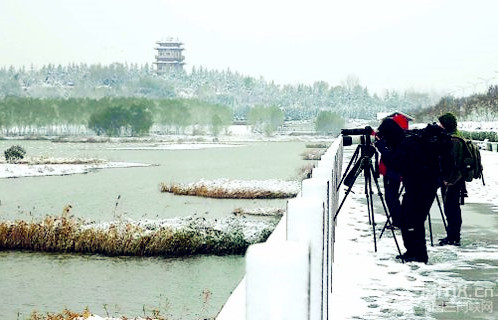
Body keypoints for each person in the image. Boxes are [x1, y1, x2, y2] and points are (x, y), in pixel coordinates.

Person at [375, 118, 440, 263]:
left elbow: (395, 164)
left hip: (421, 186)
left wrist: (382, 149)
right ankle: (413, 251)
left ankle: (418, 254)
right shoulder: (408, 140)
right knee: (411, 219)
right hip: (423, 185)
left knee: (413, 219)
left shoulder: (407, 144)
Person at [378, 113, 409, 228]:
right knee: (392, 196)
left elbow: (391, 158)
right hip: (393, 171)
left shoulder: (395, 141)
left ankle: (398, 221)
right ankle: (398, 220)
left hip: (393, 172)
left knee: (391, 197)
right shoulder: (398, 137)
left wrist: (381, 147)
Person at [438, 112, 465, 246]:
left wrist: (447, 179)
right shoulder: (455, 136)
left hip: (453, 180)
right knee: (451, 208)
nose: (439, 126)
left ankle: (453, 237)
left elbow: (454, 162)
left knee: (451, 208)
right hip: (455, 178)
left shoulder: (453, 140)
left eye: (441, 124)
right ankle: (452, 235)